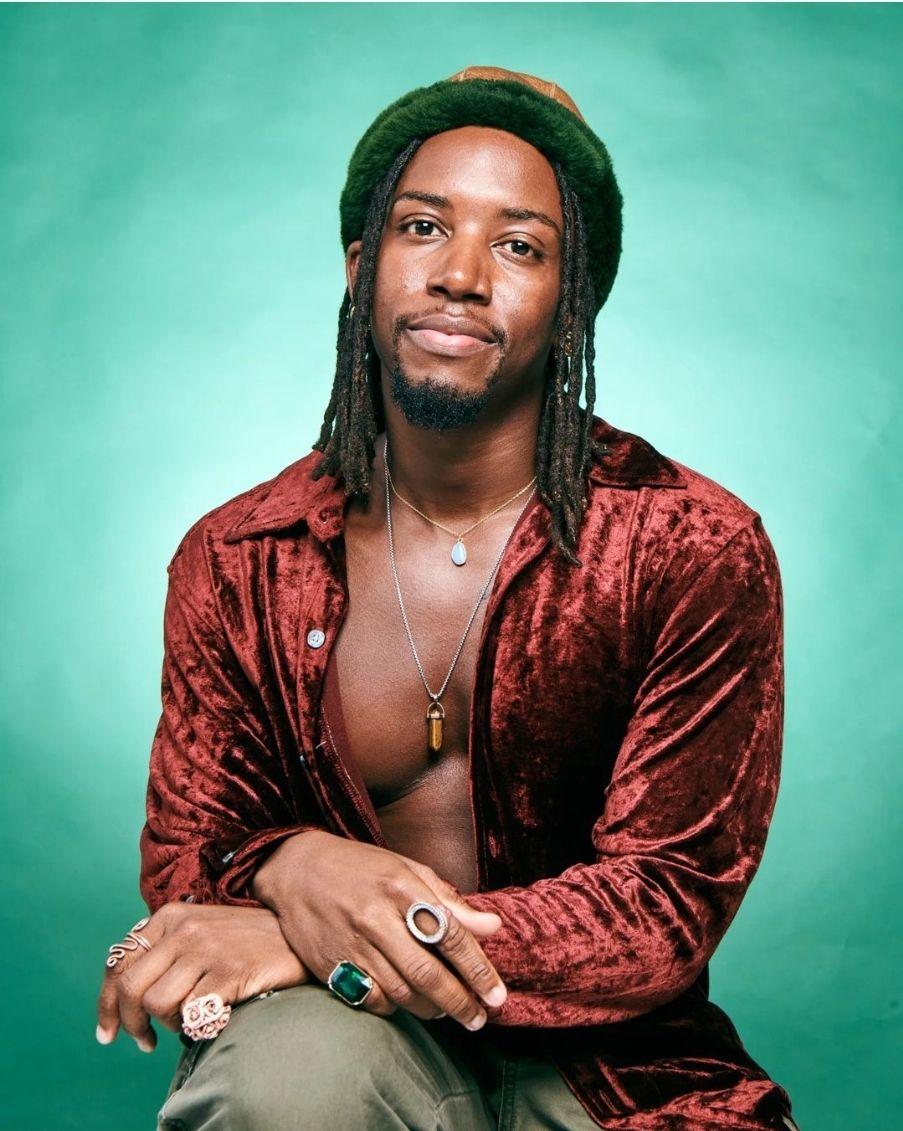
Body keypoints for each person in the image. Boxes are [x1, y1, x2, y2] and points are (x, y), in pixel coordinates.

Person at [95, 66, 800, 1130]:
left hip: (619, 1070)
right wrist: (296, 858)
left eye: (519, 245)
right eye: (423, 227)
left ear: (573, 305)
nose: (461, 274)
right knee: (279, 1088)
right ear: (359, 265)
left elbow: (663, 901)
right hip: (340, 1041)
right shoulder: (237, 558)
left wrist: (311, 931)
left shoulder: (690, 545)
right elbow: (192, 859)